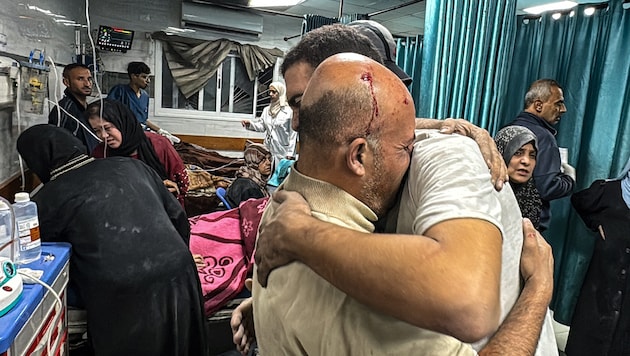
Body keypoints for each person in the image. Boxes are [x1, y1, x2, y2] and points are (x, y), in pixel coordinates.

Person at [250, 53, 557, 355]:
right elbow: (469, 304)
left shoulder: (281, 205)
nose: (412, 158)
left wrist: (450, 128)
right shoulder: (366, 300)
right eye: (406, 148)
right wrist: (538, 288)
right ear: (358, 157)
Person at [16, 124, 208, 356]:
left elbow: (44, 256)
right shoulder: (132, 165)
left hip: (124, 289)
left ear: (38, 160)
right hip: (181, 269)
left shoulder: (49, 199)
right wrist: (177, 253)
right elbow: (178, 216)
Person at [565, 157, 630, 355]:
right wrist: (595, 222)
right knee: (591, 329)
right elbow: (579, 200)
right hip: (602, 278)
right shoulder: (610, 190)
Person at [87, 99, 189, 208]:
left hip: (160, 212)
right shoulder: (100, 155)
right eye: (97, 130)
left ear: (123, 122)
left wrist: (170, 192)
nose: (103, 135)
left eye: (107, 128)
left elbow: (181, 183)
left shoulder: (158, 144)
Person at [507, 79, 576, 231]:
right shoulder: (544, 137)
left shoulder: (509, 129)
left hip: (503, 217)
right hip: (527, 227)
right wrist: (569, 179)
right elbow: (546, 187)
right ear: (538, 105)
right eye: (558, 103)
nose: (563, 109)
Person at [108, 61, 179, 143]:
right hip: (125, 134)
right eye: (144, 77)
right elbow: (109, 113)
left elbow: (143, 120)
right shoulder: (120, 91)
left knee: (164, 143)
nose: (148, 81)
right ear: (134, 76)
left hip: (142, 133)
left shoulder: (145, 96)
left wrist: (160, 130)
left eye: (148, 77)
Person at [494, 125, 543, 230]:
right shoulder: (486, 191)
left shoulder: (532, 198)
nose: (526, 161)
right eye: (518, 153)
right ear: (501, 153)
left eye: (532, 155)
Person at [241, 81, 297, 165]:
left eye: (274, 92)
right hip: (268, 150)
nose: (270, 94)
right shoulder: (267, 110)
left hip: (283, 151)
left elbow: (293, 134)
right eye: (269, 91)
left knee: (281, 174)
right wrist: (250, 124)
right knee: (268, 173)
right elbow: (262, 127)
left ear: (280, 93)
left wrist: (290, 153)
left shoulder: (288, 112)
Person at [48, 63, 100, 152]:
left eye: (89, 79)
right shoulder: (64, 110)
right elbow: (58, 145)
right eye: (80, 79)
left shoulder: (88, 110)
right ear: (66, 82)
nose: (87, 84)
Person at [226, 141, 272, 208]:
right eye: (263, 159)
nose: (268, 163)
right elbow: (254, 214)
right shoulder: (249, 187)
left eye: (269, 159)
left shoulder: (249, 178)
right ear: (253, 161)